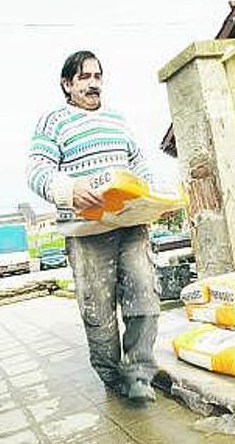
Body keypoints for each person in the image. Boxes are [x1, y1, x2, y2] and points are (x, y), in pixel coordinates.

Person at [26, 50, 159, 402]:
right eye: (84, 77)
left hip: (130, 224)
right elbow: (38, 170)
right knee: (98, 310)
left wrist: (150, 196)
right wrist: (68, 189)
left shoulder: (117, 119)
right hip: (86, 232)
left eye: (98, 76)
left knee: (144, 292)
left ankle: (139, 373)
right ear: (67, 84)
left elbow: (138, 163)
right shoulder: (53, 121)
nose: (93, 84)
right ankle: (113, 378)